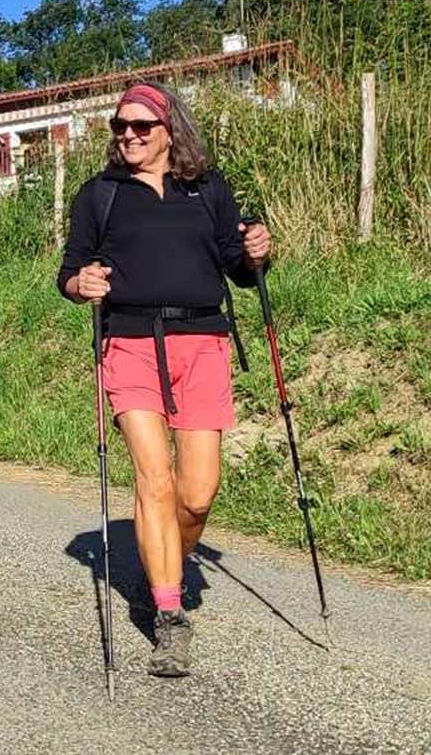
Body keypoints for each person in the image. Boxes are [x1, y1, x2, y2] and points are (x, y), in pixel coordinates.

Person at [58, 82, 271, 678]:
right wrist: (84, 286)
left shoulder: (207, 188)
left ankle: (164, 555)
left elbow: (240, 267)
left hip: (203, 343)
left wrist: (257, 251)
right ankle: (170, 613)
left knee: (197, 492)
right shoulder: (99, 195)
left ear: (169, 129)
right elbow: (69, 274)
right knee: (154, 478)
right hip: (129, 342)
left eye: (140, 127)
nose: (127, 135)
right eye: (119, 128)